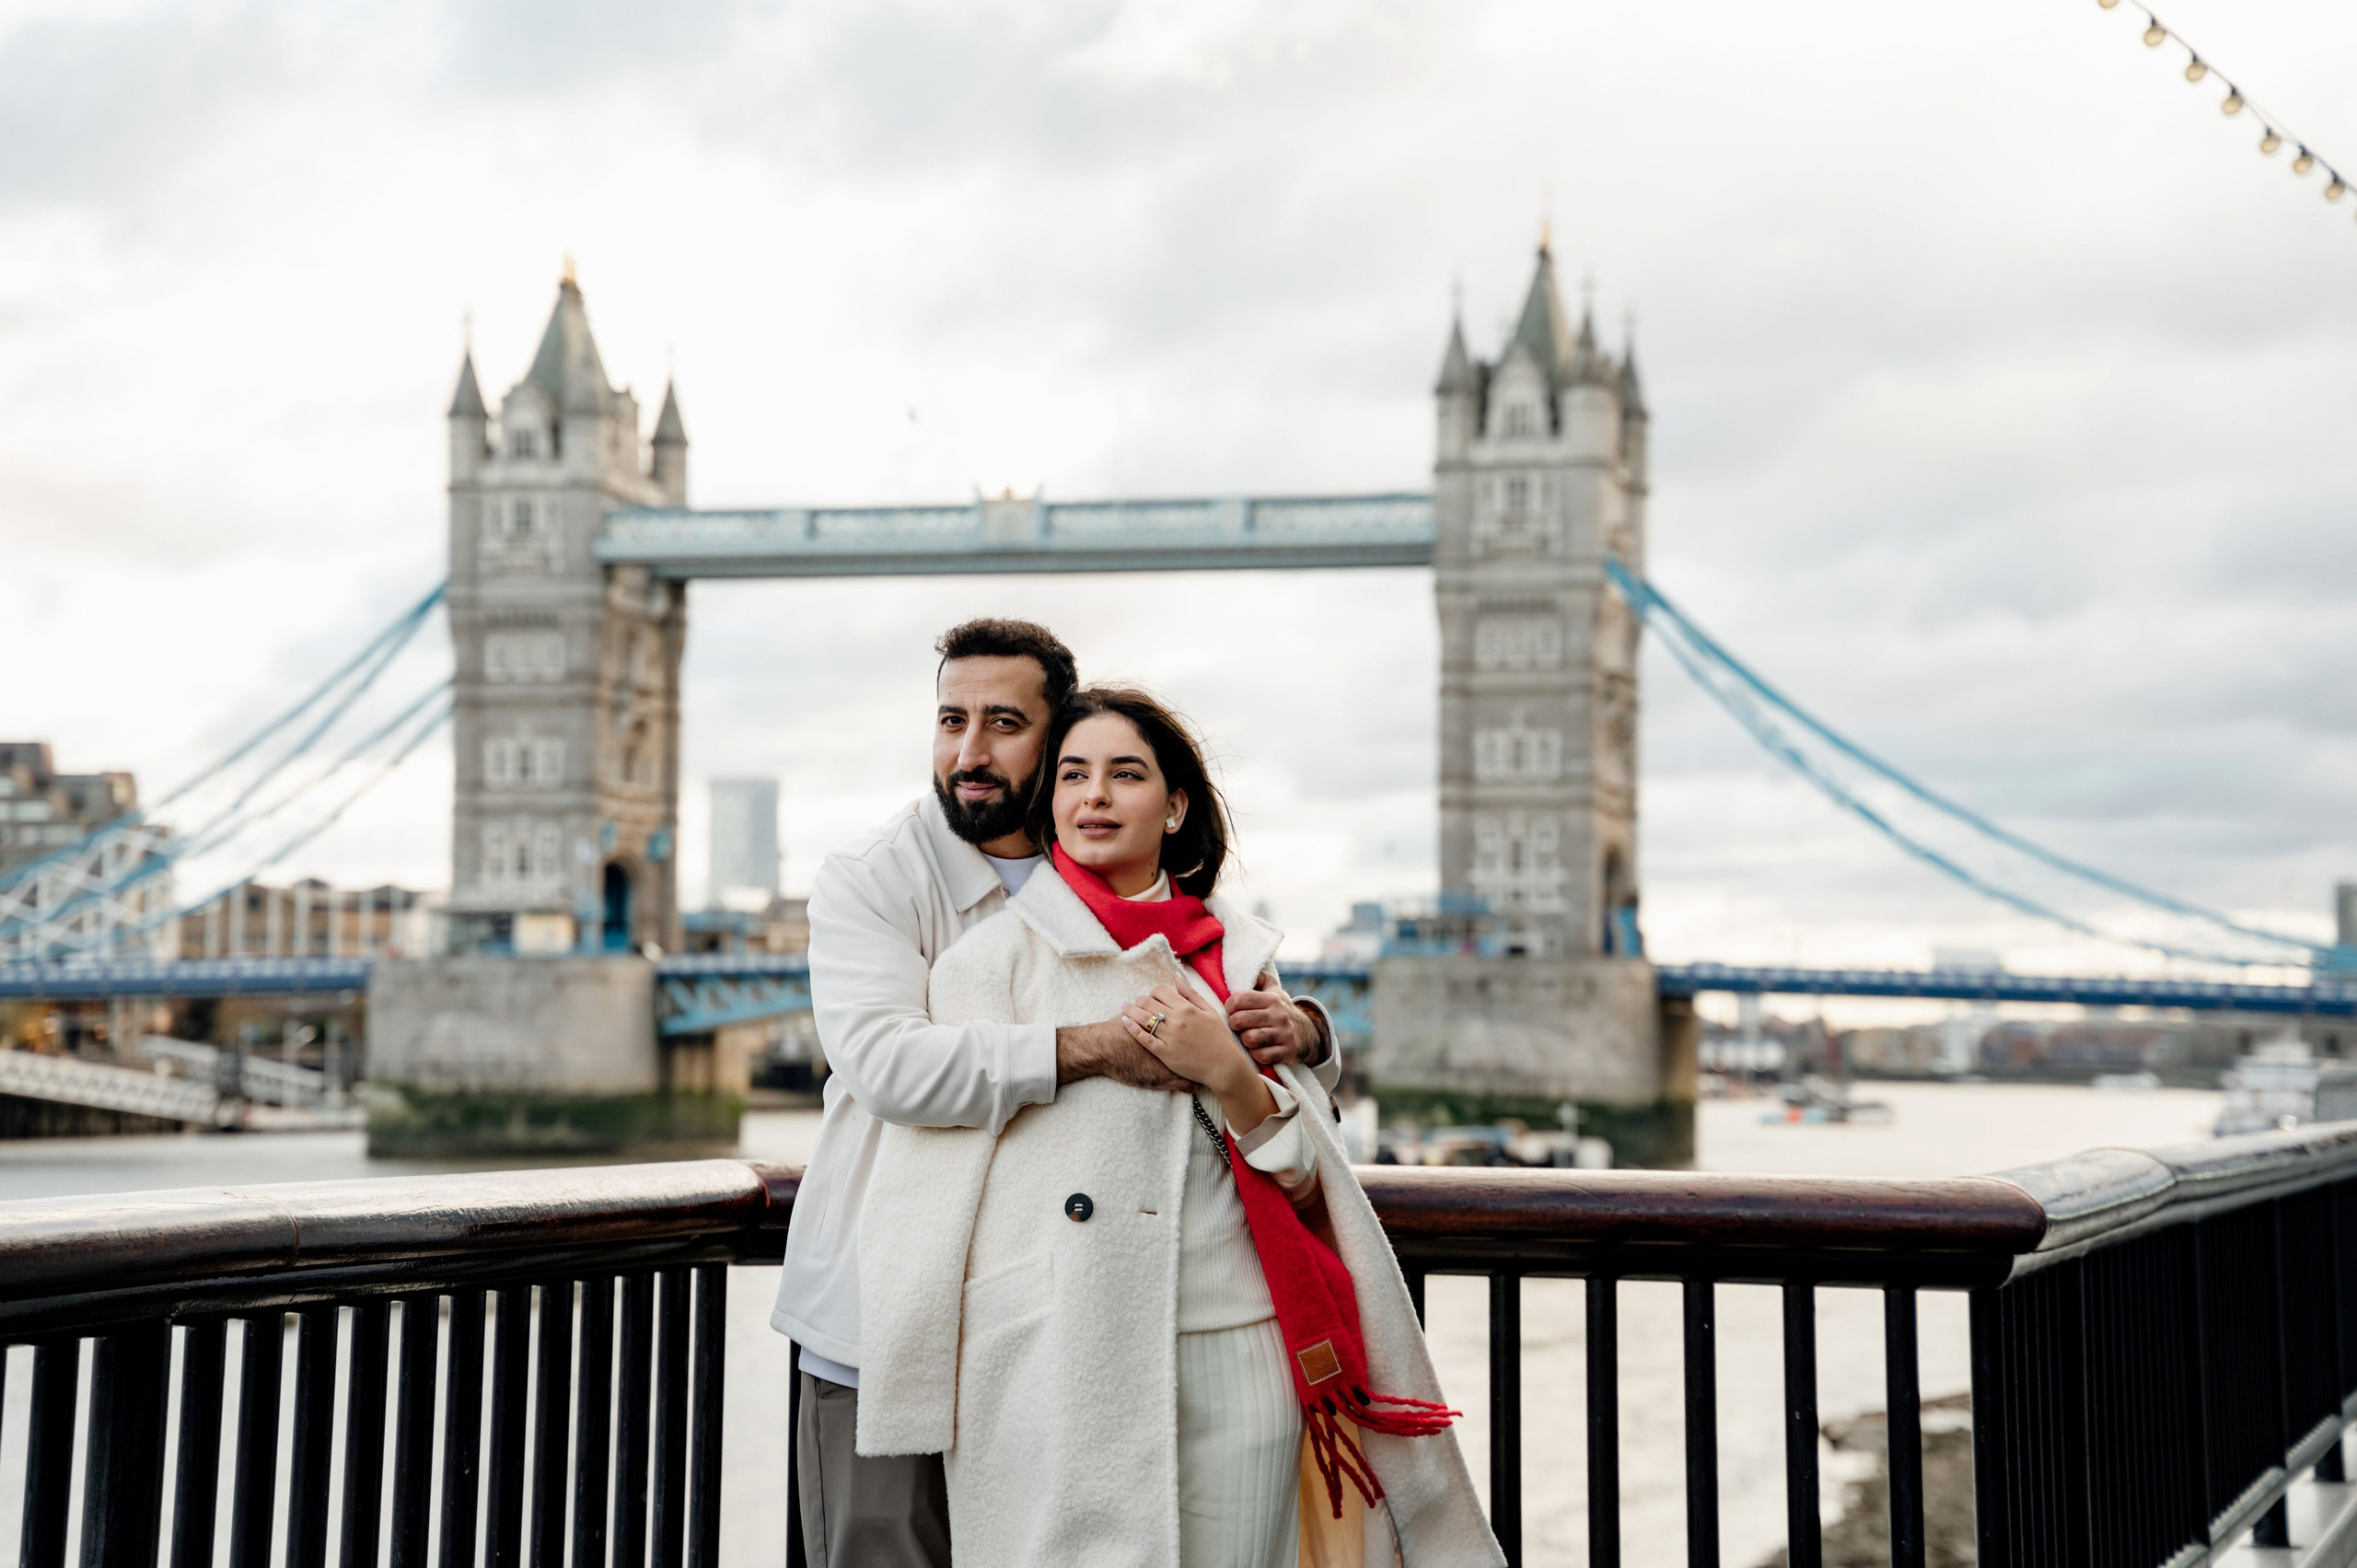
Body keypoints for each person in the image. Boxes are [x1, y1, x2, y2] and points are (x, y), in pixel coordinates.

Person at [855, 687, 1500, 1568]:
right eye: (1074, 774)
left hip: (1242, 1348)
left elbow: (1305, 1177)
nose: (1095, 797)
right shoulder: (985, 968)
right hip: (1065, 1361)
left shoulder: (1236, 958)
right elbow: (931, 1190)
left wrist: (1231, 1070)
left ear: (1176, 806)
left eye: (1126, 775)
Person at [772, 621, 1341, 1568]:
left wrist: (1311, 1029)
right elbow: (886, 1066)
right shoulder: (872, 878)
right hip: (887, 1311)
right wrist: (1097, 1047)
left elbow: (1233, 984)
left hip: (1048, 1329)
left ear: (1055, 733)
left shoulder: (1104, 861)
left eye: (1004, 723)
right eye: (951, 719)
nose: (970, 751)